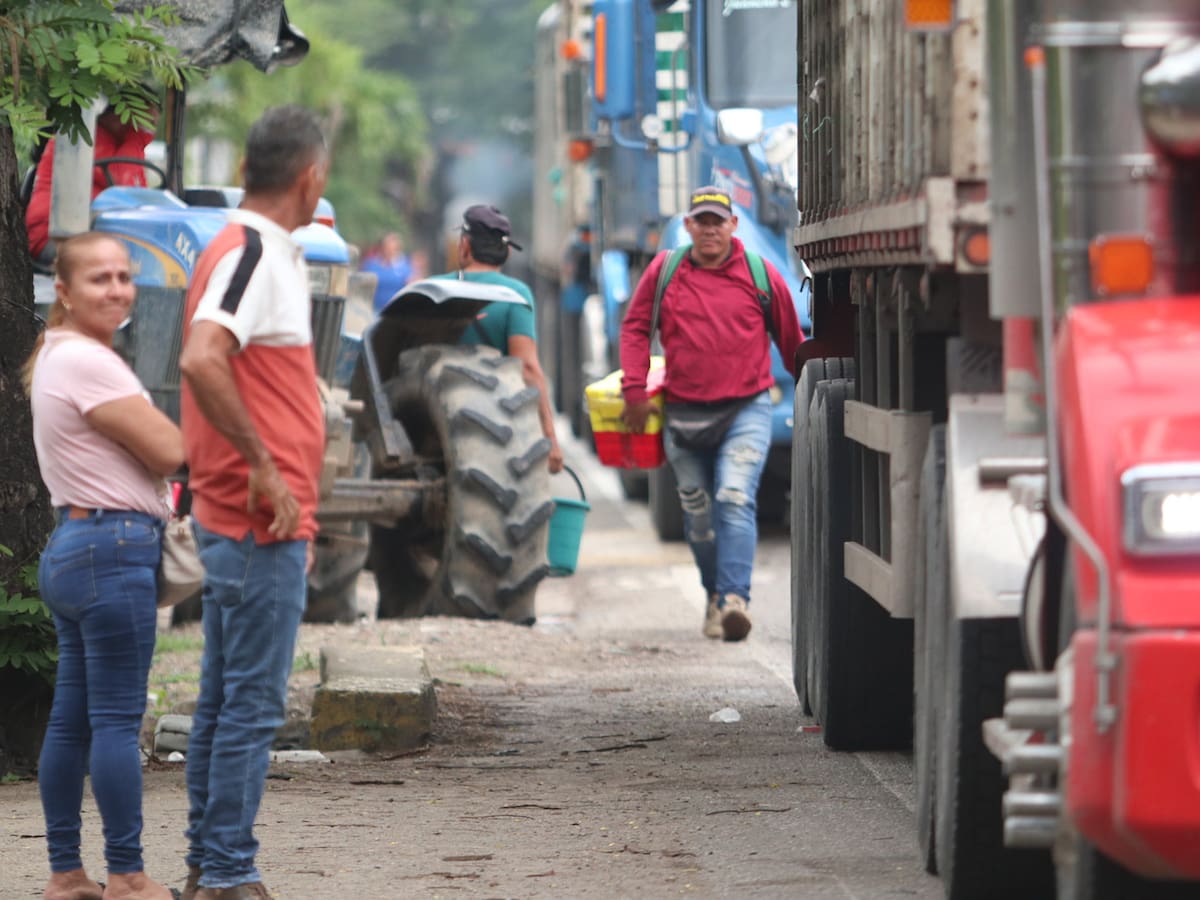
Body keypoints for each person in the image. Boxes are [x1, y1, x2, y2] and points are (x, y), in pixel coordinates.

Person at [177, 105, 330, 900]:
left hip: (245, 512)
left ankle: (210, 865)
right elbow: (204, 357)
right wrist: (268, 471)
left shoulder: (240, 247)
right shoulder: (254, 253)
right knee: (251, 704)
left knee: (225, 697)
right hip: (257, 518)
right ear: (310, 177)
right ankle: (228, 872)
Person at [24, 232, 184, 900]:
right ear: (63, 290)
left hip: (75, 545)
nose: (117, 289)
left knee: (73, 721)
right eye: (99, 279)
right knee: (117, 722)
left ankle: (67, 874)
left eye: (124, 276)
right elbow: (170, 450)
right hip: (112, 549)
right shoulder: (89, 361)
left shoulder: (58, 355)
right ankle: (127, 876)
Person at [619, 186, 803, 641]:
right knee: (698, 516)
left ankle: (735, 599)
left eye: (718, 221)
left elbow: (793, 340)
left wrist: (814, 397)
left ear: (733, 226)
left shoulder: (761, 273)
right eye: (701, 221)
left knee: (735, 497)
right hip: (683, 417)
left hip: (747, 409)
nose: (709, 230)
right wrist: (635, 390)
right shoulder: (666, 270)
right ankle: (715, 597)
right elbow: (636, 327)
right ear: (688, 227)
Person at [433, 204, 564, 474]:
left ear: (464, 246)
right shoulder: (515, 295)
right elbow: (526, 367)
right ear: (504, 253)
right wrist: (549, 437)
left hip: (435, 419)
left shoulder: (435, 290)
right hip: (500, 428)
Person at [26, 105, 157, 263]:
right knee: (126, 260)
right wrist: (139, 136)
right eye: (141, 121)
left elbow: (139, 197)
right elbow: (123, 181)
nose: (137, 127)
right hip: (53, 237)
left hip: (84, 234)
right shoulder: (84, 136)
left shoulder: (118, 145)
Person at [361, 231, 412, 312]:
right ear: (382, 247)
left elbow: (410, 285)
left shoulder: (404, 266)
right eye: (388, 246)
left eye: (394, 247)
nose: (390, 249)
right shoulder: (371, 265)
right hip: (373, 310)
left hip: (397, 311)